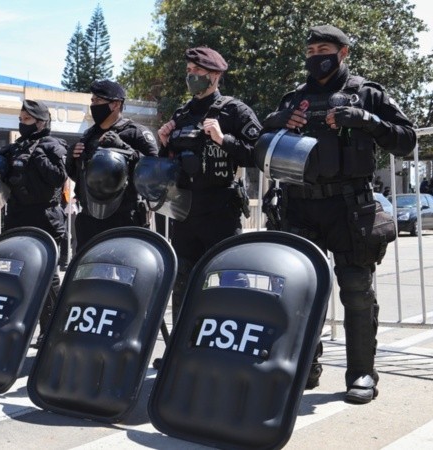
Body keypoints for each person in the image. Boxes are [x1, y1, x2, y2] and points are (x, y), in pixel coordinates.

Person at [261, 24, 416, 404]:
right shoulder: (293, 97)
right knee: (301, 293)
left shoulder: (367, 93)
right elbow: (261, 137)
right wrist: (279, 121)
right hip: (299, 205)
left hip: (350, 207)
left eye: (324, 48)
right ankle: (305, 368)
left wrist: (366, 120)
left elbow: (407, 137)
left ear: (343, 52)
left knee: (357, 292)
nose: (317, 55)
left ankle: (361, 373)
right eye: (311, 49)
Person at [153, 47, 261, 360]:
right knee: (183, 280)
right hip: (185, 212)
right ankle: (181, 349)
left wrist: (223, 139)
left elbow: (256, 154)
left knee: (229, 279)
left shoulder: (234, 111)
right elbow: (169, 165)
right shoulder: (182, 114)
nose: (191, 77)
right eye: (189, 70)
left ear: (214, 75)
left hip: (220, 210)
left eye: (197, 72)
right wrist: (163, 144)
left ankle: (235, 346)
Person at [0, 99, 68, 347]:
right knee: (18, 271)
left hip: (44, 217)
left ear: (40, 122)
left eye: (26, 119)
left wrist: (37, 155)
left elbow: (59, 177)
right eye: (20, 119)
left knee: (47, 275)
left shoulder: (53, 145)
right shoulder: (17, 147)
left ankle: (51, 328)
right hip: (18, 215)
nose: (21, 123)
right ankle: (22, 324)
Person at [65, 79, 159, 251]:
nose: (93, 105)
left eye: (98, 101)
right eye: (92, 100)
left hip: (123, 217)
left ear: (116, 104)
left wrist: (124, 148)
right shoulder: (88, 135)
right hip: (89, 218)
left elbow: (154, 170)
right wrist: (71, 158)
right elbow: (80, 177)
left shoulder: (136, 133)